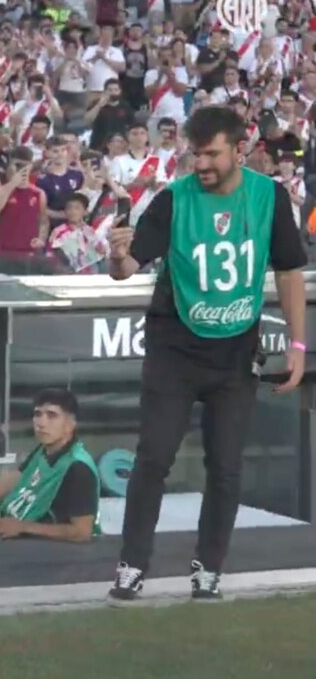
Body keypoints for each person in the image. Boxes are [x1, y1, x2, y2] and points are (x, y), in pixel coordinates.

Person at [106, 106, 308, 604]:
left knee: (226, 466)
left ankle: (209, 569)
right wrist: (116, 254)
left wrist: (299, 346)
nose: (201, 164)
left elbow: (288, 272)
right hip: (175, 344)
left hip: (237, 348)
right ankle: (132, 565)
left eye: (212, 153)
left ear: (241, 149)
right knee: (153, 458)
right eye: (196, 154)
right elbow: (128, 267)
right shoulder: (173, 199)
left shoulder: (270, 197)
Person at [0, 388, 100, 543]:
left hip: (42, 548)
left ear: (70, 424)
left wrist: (22, 527)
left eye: (52, 415)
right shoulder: (42, 451)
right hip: (9, 528)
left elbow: (81, 532)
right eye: (38, 414)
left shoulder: (78, 468)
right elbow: (5, 486)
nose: (41, 423)